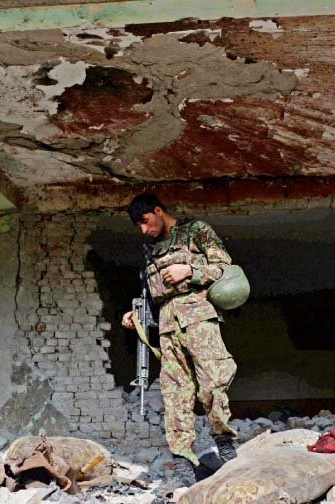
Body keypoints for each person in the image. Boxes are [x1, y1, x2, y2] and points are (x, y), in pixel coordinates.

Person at [122, 193, 238, 488]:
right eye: (138, 226)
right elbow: (151, 294)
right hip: (166, 327)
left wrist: (191, 270)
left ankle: (223, 440)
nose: (144, 230)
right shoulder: (150, 251)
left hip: (199, 318)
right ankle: (184, 462)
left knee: (213, 382)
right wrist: (135, 315)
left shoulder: (195, 231)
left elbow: (226, 268)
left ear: (159, 211)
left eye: (146, 222)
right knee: (175, 396)